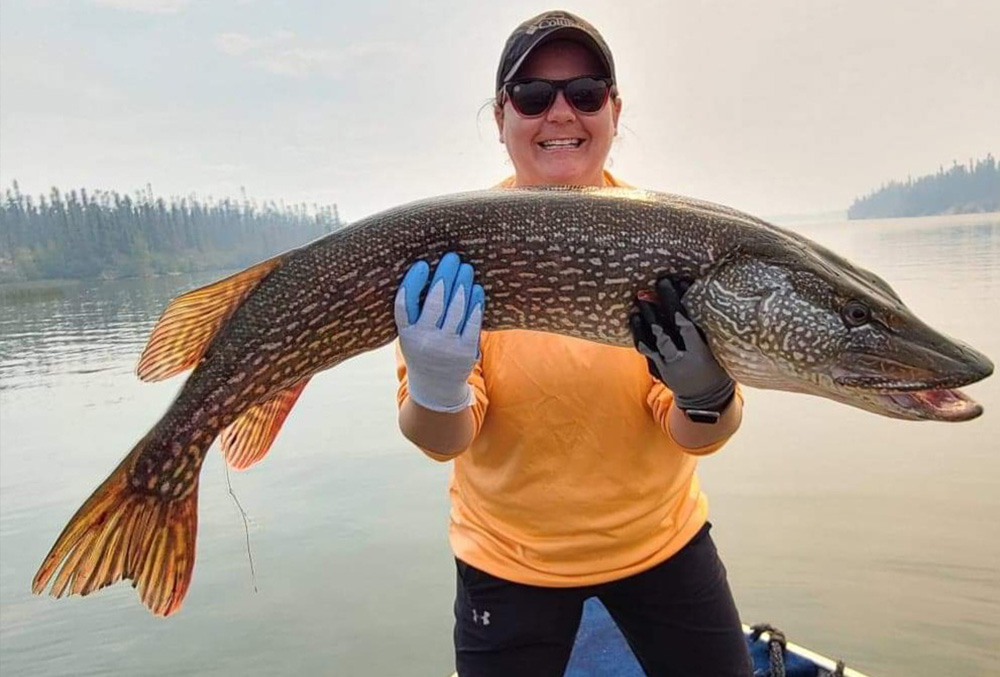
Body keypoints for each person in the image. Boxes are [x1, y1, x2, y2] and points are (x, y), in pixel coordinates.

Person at [394, 10, 751, 677]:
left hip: (661, 543)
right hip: (507, 559)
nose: (561, 112)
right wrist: (435, 385)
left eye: (584, 93)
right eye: (534, 97)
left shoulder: (667, 241)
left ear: (614, 110)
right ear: (501, 117)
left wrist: (707, 394)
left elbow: (695, 434)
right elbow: (443, 436)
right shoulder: (454, 248)